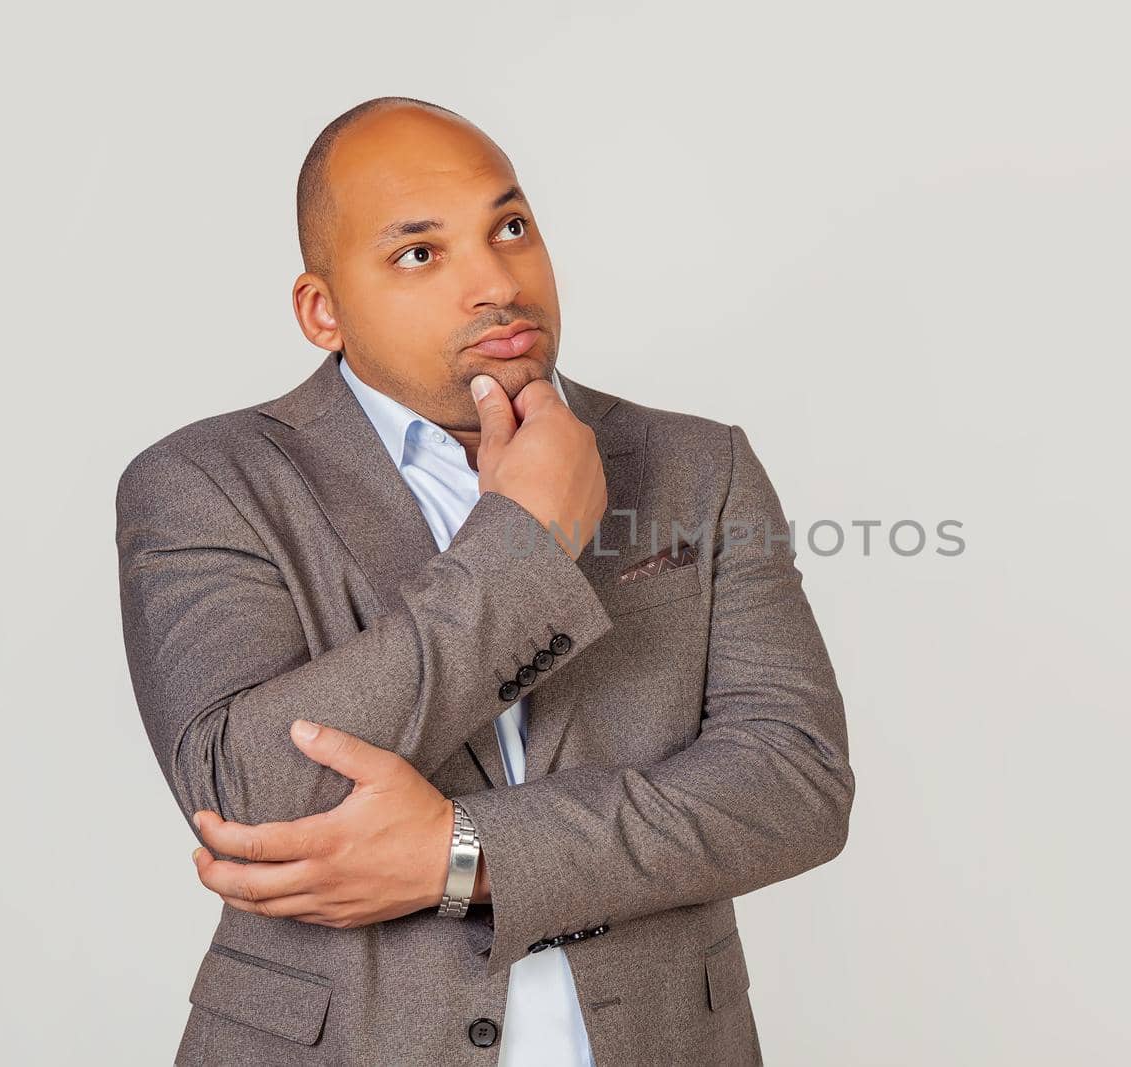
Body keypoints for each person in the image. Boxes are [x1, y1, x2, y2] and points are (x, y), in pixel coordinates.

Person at [114, 95, 854, 1065]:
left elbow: (793, 785)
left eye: (510, 228)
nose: (495, 282)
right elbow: (248, 796)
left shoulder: (695, 465)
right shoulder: (208, 482)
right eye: (419, 253)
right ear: (321, 310)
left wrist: (466, 855)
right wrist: (528, 541)